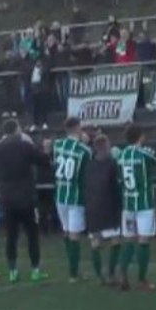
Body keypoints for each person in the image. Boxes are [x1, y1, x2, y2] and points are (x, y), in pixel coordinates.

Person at [0, 118, 50, 284]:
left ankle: (13, 270)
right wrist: (46, 150)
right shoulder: (24, 145)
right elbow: (43, 161)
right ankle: (35, 269)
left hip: (7, 196)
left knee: (11, 236)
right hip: (25, 196)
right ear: (17, 129)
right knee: (32, 234)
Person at [116, 125, 156, 291]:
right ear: (140, 136)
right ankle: (142, 280)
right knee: (143, 240)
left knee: (129, 239)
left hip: (128, 205)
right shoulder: (144, 153)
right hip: (144, 205)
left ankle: (123, 274)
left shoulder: (121, 155)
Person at [53, 117, 92, 282]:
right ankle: (74, 273)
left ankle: (73, 269)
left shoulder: (57, 145)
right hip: (76, 196)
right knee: (74, 234)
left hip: (60, 193)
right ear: (77, 128)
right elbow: (87, 174)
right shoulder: (84, 150)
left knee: (67, 231)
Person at [81, 134, 123, 285]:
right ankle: (110, 274)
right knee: (115, 241)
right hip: (108, 207)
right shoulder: (112, 164)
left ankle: (100, 276)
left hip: (92, 207)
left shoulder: (89, 165)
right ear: (106, 146)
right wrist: (120, 205)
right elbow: (116, 187)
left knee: (96, 242)